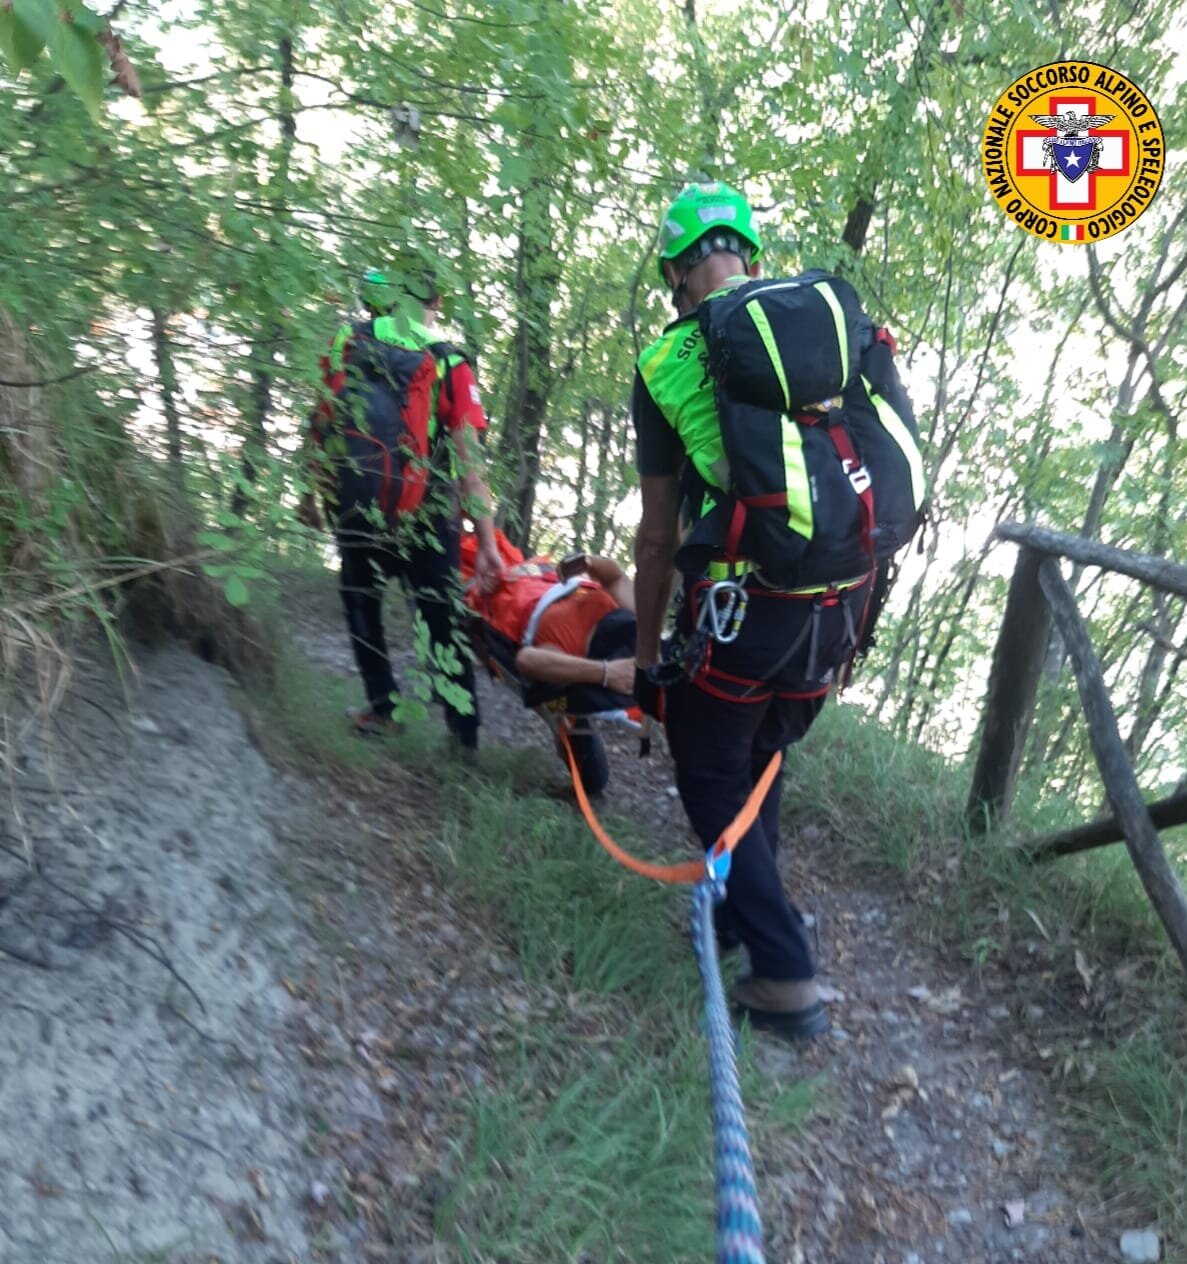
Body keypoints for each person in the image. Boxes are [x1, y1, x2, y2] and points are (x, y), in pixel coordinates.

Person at [630, 182, 873, 1042]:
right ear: (750, 256)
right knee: (761, 752)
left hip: (739, 611)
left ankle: (784, 972)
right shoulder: (831, 329)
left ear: (673, 272)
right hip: (841, 606)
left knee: (705, 770)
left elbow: (658, 537)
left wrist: (649, 649)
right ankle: (738, 915)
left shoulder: (671, 361)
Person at [299, 265, 503, 752]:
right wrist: (490, 542)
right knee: (438, 622)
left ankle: (382, 708)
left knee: (360, 601)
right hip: (427, 515)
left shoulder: (347, 341)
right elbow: (467, 460)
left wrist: (310, 491)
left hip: (358, 507)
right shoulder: (449, 362)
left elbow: (323, 419)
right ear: (433, 306)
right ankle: (464, 738)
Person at [460, 532, 637, 694]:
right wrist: (587, 562)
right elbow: (616, 577)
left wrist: (605, 672)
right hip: (538, 575)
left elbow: (527, 660)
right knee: (482, 539)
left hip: (506, 596)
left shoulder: (573, 654)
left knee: (460, 557)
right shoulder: (637, 622)